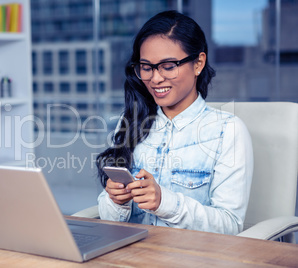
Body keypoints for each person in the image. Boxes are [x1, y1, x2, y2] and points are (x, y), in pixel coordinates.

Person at [96, 10, 253, 235]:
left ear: (198, 63)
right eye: (146, 67)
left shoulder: (227, 131)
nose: (155, 78)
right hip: (131, 255)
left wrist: (165, 203)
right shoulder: (132, 121)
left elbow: (229, 226)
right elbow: (110, 222)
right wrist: (115, 201)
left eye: (168, 66)